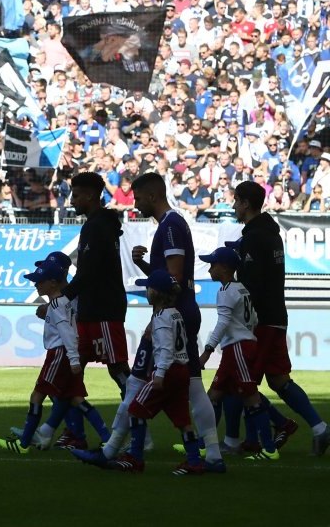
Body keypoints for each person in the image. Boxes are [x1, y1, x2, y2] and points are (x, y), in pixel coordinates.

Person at [128, 172, 224, 471]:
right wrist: (144, 264)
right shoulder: (172, 224)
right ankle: (212, 455)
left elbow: (174, 278)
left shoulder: (170, 226)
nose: (136, 204)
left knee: (139, 383)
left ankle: (124, 450)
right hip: (181, 311)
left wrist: (158, 320)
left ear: (153, 196)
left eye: (139, 198)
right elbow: (168, 275)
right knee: (193, 387)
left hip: (175, 313)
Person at [231, 180, 330, 454]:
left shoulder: (254, 237)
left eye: (236, 200)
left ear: (246, 203)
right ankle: (320, 428)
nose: (233, 205)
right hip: (276, 316)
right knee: (278, 379)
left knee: (245, 382)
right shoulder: (271, 233)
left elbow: (252, 283)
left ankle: (257, 440)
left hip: (260, 320)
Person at [0, 253, 109, 454]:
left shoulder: (57, 304)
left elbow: (66, 331)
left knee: (37, 395)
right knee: (76, 399)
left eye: (39, 281)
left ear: (52, 282)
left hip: (59, 354)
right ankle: (108, 439)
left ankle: (25, 442)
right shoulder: (64, 301)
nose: (36, 285)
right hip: (66, 352)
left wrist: (74, 358)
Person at [56, 171, 128, 450]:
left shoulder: (97, 227)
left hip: (103, 309)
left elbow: (88, 272)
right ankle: (74, 432)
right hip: (92, 308)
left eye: (75, 195)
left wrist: (61, 298)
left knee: (119, 370)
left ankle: (138, 430)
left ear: (88, 195)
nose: (72, 200)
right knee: (72, 371)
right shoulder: (101, 224)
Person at [111, 270, 208, 475]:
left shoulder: (161, 316)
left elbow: (165, 348)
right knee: (183, 420)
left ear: (155, 293)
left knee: (135, 409)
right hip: (182, 371)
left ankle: (135, 458)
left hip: (169, 371)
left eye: (148, 288)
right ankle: (194, 460)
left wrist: (160, 374)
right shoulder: (175, 313)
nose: (146, 291)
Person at [197, 246, 277, 461]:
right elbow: (255, 320)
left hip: (237, 348)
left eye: (213, 264)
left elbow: (222, 322)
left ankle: (269, 449)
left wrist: (206, 351)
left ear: (224, 268)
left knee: (250, 397)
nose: (209, 269)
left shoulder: (226, 291)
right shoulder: (241, 288)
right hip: (239, 347)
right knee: (213, 396)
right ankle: (203, 444)